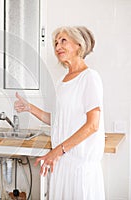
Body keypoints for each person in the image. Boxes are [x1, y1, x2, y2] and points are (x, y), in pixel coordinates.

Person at [14, 26, 105, 199]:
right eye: (55, 43)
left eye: (63, 41)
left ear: (79, 45)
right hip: (62, 164)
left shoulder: (89, 78)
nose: (57, 47)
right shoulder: (61, 82)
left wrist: (58, 151)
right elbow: (58, 120)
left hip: (79, 169)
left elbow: (93, 125)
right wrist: (29, 107)